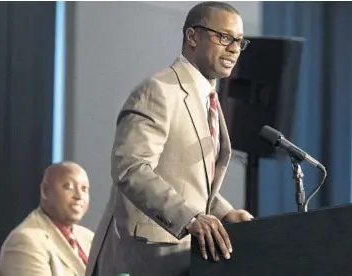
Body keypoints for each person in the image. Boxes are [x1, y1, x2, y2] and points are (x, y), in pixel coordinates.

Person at [86, 2, 253, 276]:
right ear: (192, 37)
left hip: (181, 258)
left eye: (239, 41)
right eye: (224, 37)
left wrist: (224, 213)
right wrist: (190, 218)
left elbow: (186, 180)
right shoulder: (160, 90)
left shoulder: (207, 99)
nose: (234, 48)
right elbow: (131, 168)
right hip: (141, 259)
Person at [0, 161, 94, 276]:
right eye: (68, 187)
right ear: (45, 191)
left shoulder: (88, 238)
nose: (79, 196)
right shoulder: (25, 241)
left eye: (84, 189)